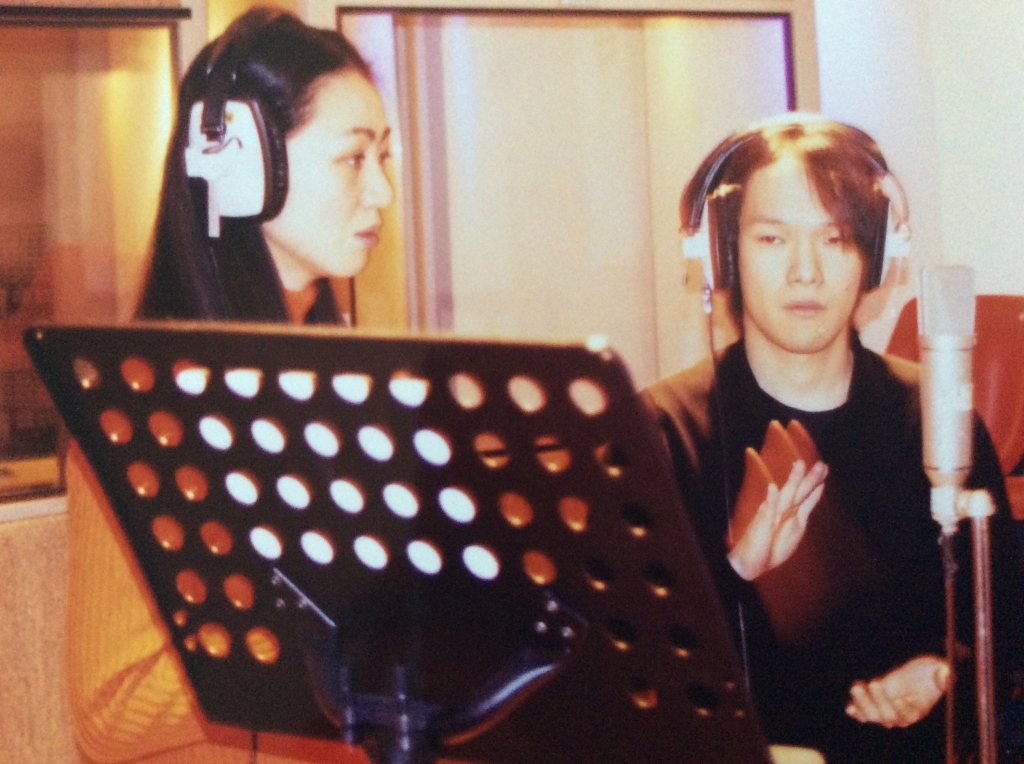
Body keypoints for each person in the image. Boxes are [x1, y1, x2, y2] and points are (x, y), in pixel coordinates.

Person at [65, 8, 393, 762]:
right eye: (353, 158)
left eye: (385, 157)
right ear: (244, 166)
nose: (381, 191)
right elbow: (110, 710)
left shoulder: (352, 385)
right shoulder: (141, 412)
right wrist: (320, 632)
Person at [641, 116, 1022, 763]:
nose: (806, 272)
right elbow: (633, 665)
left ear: (875, 256)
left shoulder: (937, 416)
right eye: (772, 238)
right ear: (722, 254)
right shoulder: (664, 429)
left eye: (836, 239)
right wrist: (737, 571)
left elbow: (1004, 626)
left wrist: (946, 671)